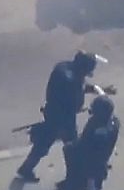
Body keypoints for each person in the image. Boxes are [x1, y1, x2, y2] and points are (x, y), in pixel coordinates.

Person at [33, 94, 120, 190]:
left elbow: (85, 150)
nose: (91, 114)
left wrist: (69, 147)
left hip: (86, 170)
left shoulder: (98, 131)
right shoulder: (113, 123)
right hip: (97, 169)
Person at [17, 52, 107, 183]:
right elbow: (75, 98)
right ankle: (74, 177)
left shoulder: (65, 68)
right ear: (83, 68)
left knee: (44, 143)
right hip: (63, 119)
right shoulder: (71, 80)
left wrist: (96, 88)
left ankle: (26, 168)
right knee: (72, 147)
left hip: (56, 114)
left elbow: (79, 85)